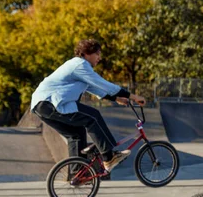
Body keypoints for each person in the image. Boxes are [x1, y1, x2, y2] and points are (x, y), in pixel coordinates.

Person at [31, 39, 146, 172]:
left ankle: (77, 173)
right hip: (50, 103)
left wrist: (116, 98)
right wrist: (133, 96)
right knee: (93, 116)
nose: (99, 58)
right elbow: (104, 84)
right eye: (97, 54)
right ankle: (109, 157)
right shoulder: (80, 65)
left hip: (41, 106)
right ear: (86, 53)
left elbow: (95, 88)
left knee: (77, 134)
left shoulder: (79, 69)